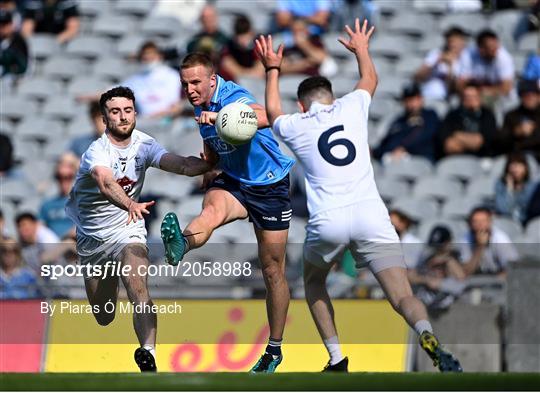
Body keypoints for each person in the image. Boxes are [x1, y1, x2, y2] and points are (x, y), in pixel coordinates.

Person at [254, 19, 462, 372]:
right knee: (403, 295)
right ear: (331, 98)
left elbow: (273, 112)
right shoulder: (352, 106)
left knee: (314, 281)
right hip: (370, 216)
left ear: (303, 106)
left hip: (329, 220)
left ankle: (336, 358)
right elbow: (370, 80)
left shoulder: (297, 124)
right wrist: (361, 49)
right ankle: (428, 335)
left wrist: (272, 69)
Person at [159, 52, 295, 373]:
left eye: (195, 82)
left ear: (211, 79)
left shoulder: (231, 94)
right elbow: (213, 144)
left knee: (272, 269)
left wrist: (219, 117)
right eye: (185, 84)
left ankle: (274, 350)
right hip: (233, 178)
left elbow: (267, 116)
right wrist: (209, 164)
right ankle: (181, 243)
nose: (190, 89)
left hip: (269, 184)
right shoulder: (199, 102)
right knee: (211, 211)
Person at [65, 86, 217, 372]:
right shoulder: (96, 151)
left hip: (128, 230)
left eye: (127, 110)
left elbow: (181, 164)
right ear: (104, 118)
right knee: (103, 314)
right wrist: (129, 203)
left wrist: (208, 165)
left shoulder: (144, 144)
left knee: (138, 287)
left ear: (135, 113)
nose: (123, 117)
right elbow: (105, 182)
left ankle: (148, 354)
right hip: (93, 239)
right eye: (115, 112)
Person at [373, 84, 440, 163]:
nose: (411, 104)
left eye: (414, 99)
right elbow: (386, 142)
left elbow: (427, 135)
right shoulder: (399, 121)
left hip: (421, 158)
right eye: (408, 100)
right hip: (394, 158)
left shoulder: (430, 116)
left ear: (421, 99)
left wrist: (404, 148)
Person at [408, 226, 466, 310]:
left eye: (440, 246)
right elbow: (410, 276)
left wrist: (447, 261)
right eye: (435, 246)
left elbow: (461, 280)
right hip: (426, 303)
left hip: (452, 306)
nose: (437, 249)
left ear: (448, 243)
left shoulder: (456, 257)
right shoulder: (427, 259)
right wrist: (426, 280)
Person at [437, 82, 496, 158]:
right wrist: (471, 142)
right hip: (457, 158)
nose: (470, 100)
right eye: (467, 97)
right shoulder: (452, 116)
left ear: (479, 97)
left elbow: (482, 142)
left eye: (473, 96)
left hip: (482, 159)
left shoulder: (487, 115)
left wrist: (457, 135)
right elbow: (449, 145)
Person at [456, 29, 514, 104]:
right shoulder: (468, 55)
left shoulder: (504, 58)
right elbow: (460, 83)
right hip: (475, 91)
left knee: (485, 99)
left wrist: (488, 91)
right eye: (491, 47)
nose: (495, 50)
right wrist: (470, 93)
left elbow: (506, 87)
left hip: (499, 95)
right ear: (481, 49)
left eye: (496, 46)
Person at [459, 207, 519, 277]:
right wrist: (480, 247)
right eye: (475, 221)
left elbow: (511, 267)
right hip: (476, 277)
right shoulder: (465, 239)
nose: (480, 225)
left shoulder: (500, 239)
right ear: (470, 224)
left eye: (483, 221)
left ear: (490, 222)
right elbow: (466, 271)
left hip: (498, 277)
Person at [414, 26, 469, 101]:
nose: (451, 45)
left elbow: (453, 89)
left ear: (462, 42)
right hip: (426, 96)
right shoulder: (436, 53)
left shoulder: (466, 59)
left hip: (445, 99)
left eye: (454, 41)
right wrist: (435, 63)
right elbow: (417, 77)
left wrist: (450, 66)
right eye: (449, 42)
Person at [497, 79, 540, 162]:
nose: (530, 98)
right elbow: (500, 142)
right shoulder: (512, 115)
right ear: (521, 97)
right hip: (518, 159)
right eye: (526, 96)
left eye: (533, 95)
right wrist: (516, 132)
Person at [39, 153, 78, 238]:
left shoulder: (83, 202)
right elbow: (40, 229)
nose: (63, 181)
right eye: (59, 177)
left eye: (68, 177)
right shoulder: (47, 205)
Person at [219, 14, 264, 82]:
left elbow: (260, 72)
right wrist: (245, 73)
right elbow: (226, 63)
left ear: (251, 33)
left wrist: (243, 73)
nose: (243, 41)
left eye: (245, 37)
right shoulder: (229, 46)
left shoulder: (259, 44)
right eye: (240, 37)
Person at [494, 152, 537, 225]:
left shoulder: (533, 186)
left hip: (527, 222)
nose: (515, 169)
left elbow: (528, 207)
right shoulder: (501, 185)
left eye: (519, 165)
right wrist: (509, 189)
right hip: (507, 222)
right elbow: (503, 209)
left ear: (525, 167)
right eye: (512, 165)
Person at [0, 9, 28, 79]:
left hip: (15, 78)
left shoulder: (18, 40)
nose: (2, 28)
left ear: (11, 24)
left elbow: (23, 66)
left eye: (4, 24)